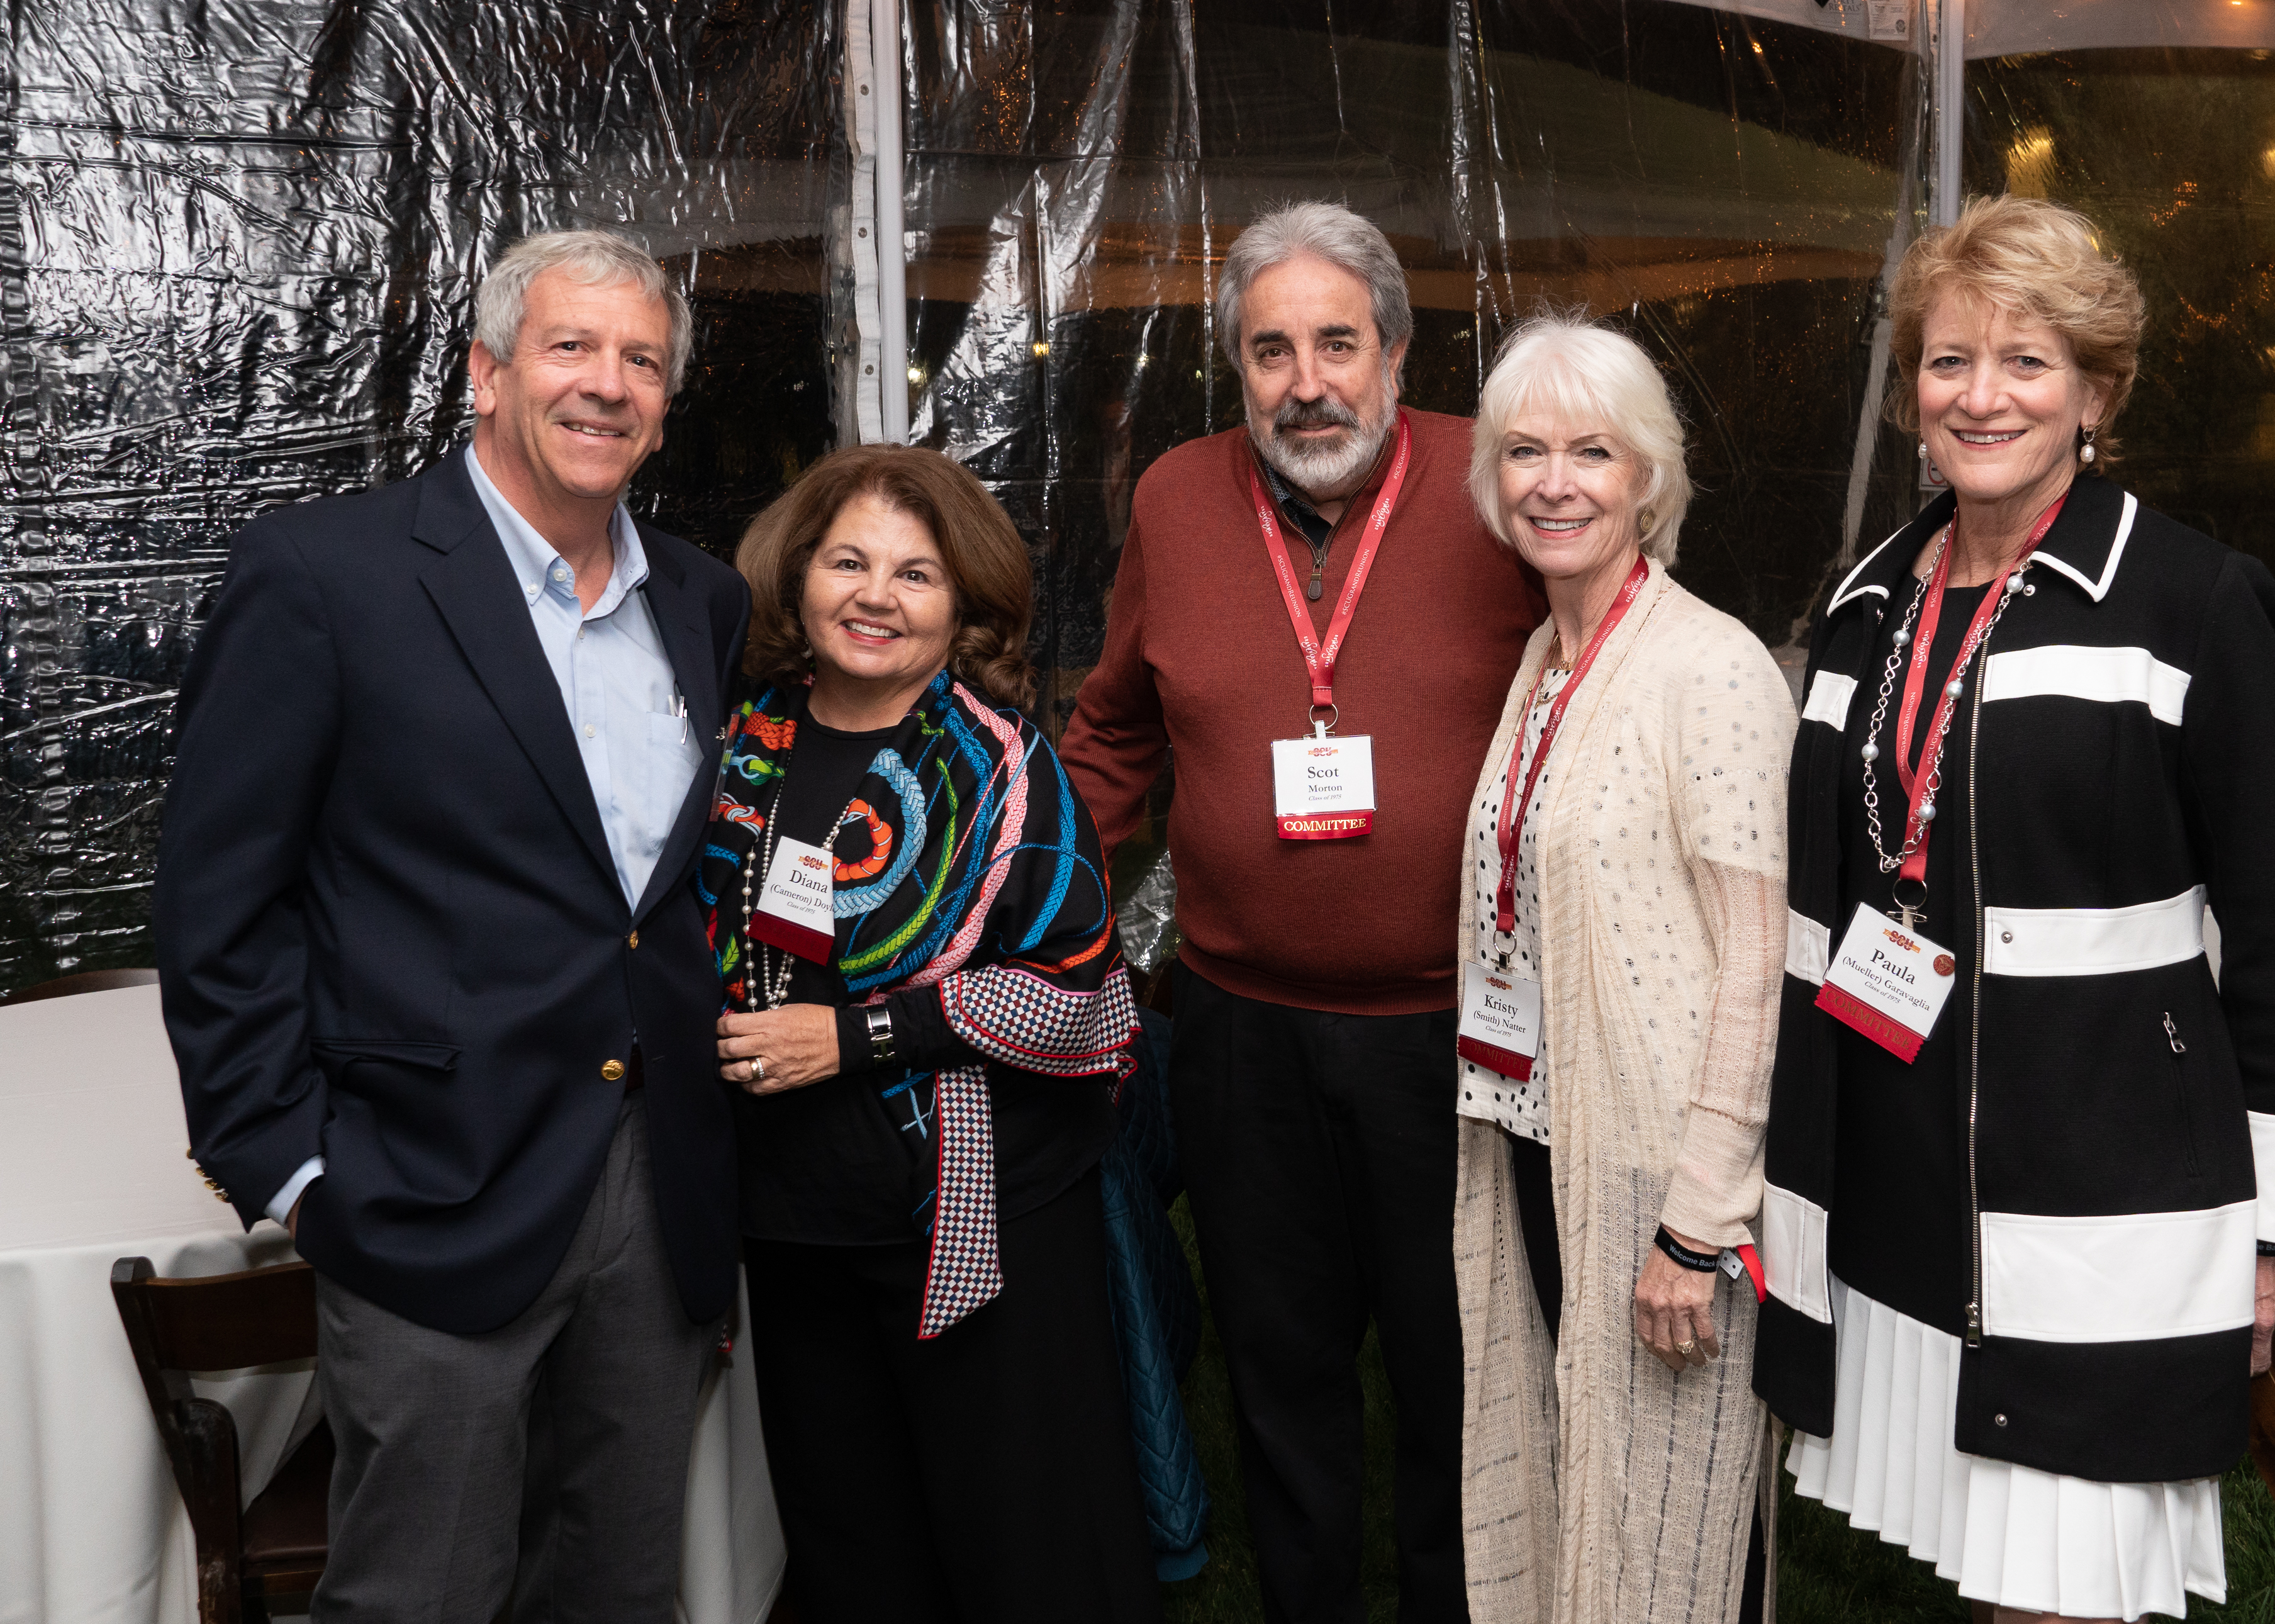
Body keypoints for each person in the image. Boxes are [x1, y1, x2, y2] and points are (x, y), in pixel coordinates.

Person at [1755, 194, 2275, 1623]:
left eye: (2026, 361)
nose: (1982, 395)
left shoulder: (2192, 600)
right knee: (1982, 1559)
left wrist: (2272, 1226)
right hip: (1905, 1181)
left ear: (2097, 391)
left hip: (2111, 1191)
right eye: (1949, 362)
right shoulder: (1869, 597)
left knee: (2061, 1572)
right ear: (1912, 395)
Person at [155, 229, 749, 1621]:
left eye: (642, 360)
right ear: (485, 375)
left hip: (657, 1190)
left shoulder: (702, 600)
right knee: (416, 1593)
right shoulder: (327, 576)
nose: (608, 384)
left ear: (665, 400)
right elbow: (218, 896)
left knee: (617, 1582)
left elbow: (659, 902)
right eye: (571, 347)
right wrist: (293, 1168)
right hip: (427, 1180)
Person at [1060, 199, 1545, 1620]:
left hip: (1462, 1035)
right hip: (1241, 1030)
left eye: (1337, 341)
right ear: (1238, 371)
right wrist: (1014, 901)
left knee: (1460, 1370)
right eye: (1269, 351)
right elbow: (1112, 735)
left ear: (1394, 348)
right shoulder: (1171, 497)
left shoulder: (1501, 481)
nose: (1306, 380)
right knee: (1281, 1368)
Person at [701, 442, 1158, 1622]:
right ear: (799, 576)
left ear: (963, 605)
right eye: (849, 561)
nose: (876, 595)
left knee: (1023, 1553)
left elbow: (1084, 1006)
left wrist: (853, 1039)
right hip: (793, 1225)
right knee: (854, 1556)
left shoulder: (1006, 771)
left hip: (972, 1228)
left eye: (916, 573)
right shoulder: (742, 744)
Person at [1449, 317, 1796, 1623]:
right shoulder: (1545, 659)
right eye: (1526, 451)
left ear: (1648, 476)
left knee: (1674, 1515)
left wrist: (1697, 1221)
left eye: (1592, 452)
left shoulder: (1707, 667)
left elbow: (1757, 965)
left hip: (1663, 1175)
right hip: (1547, 1137)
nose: (1555, 481)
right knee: (1577, 1467)